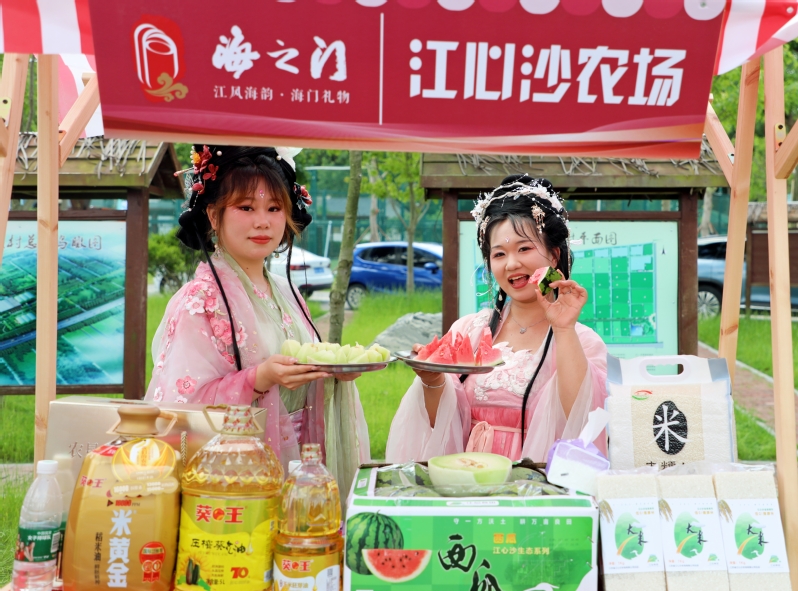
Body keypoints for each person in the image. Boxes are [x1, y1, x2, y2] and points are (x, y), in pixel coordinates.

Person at [145, 145, 370, 491]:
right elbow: (179, 409)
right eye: (246, 207)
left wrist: (333, 374)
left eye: (274, 208)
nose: (262, 221)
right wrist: (258, 379)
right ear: (213, 216)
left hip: (303, 463)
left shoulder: (286, 291)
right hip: (238, 470)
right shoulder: (199, 300)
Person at [385, 175, 608, 462]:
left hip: (537, 480)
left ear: (554, 255)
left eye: (524, 248)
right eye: (499, 254)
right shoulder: (469, 330)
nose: (512, 263)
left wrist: (564, 329)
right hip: (468, 477)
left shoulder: (584, 342)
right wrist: (432, 380)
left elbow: (582, 422)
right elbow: (437, 427)